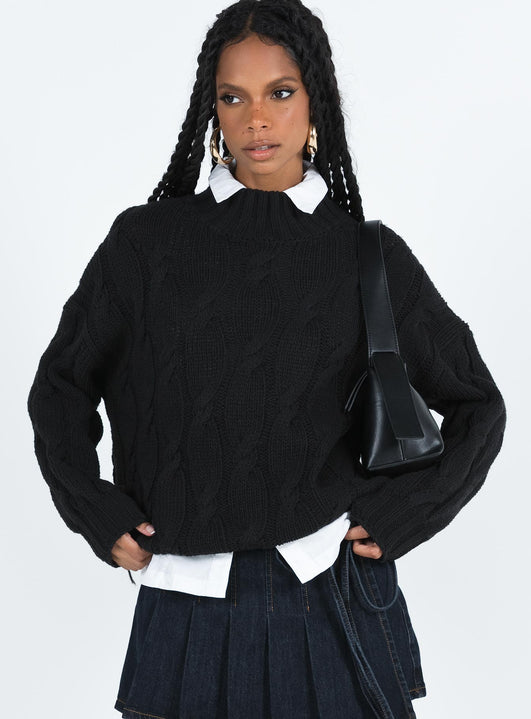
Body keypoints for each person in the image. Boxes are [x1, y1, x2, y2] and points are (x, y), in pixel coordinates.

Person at [26, 1, 507, 717]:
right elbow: (61, 386)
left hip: (333, 592)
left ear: (315, 103)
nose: (257, 119)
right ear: (212, 110)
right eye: (234, 97)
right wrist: (93, 509)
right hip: (184, 597)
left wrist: (405, 513)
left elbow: (477, 404)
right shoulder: (146, 244)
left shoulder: (366, 254)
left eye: (280, 92)